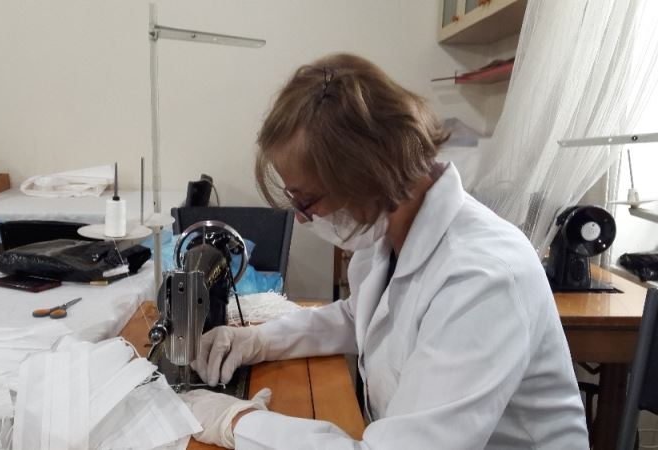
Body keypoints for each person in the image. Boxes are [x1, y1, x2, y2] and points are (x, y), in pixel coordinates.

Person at [179, 53, 589, 449]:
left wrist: (237, 423)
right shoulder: (387, 233)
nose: (303, 220)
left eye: (308, 201)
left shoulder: (482, 278)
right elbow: (358, 317)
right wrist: (258, 340)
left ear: (368, 175)